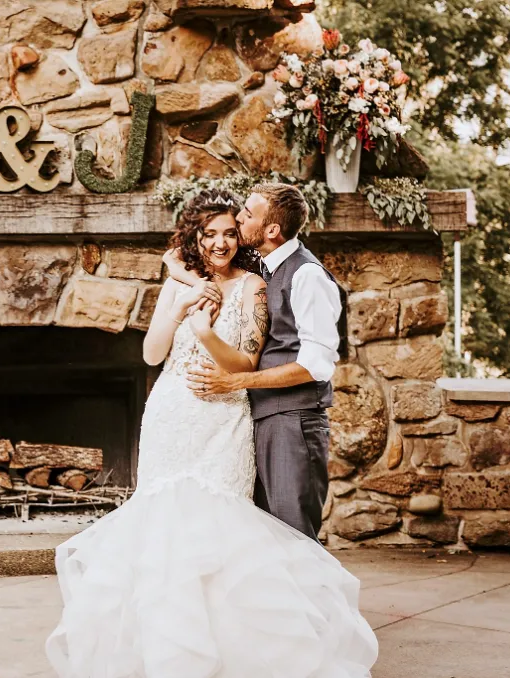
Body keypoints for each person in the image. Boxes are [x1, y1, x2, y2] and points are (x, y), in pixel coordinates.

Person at [46, 187, 377, 678]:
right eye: (211, 233)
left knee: (230, 531)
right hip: (171, 415)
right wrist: (180, 299)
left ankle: (261, 649)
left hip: (224, 418)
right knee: (162, 532)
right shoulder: (181, 282)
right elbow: (152, 355)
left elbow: (249, 360)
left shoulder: (258, 284)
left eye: (232, 229)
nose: (223, 241)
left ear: (258, 232)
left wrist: (205, 331)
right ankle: (161, 652)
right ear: (194, 239)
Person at [178, 182, 342, 542]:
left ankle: (313, 600)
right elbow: (178, 258)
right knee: (268, 537)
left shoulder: (307, 275)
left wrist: (235, 382)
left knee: (294, 534)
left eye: (247, 214)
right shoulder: (266, 268)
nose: (238, 218)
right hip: (266, 418)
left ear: (271, 230)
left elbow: (317, 365)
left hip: (293, 423)